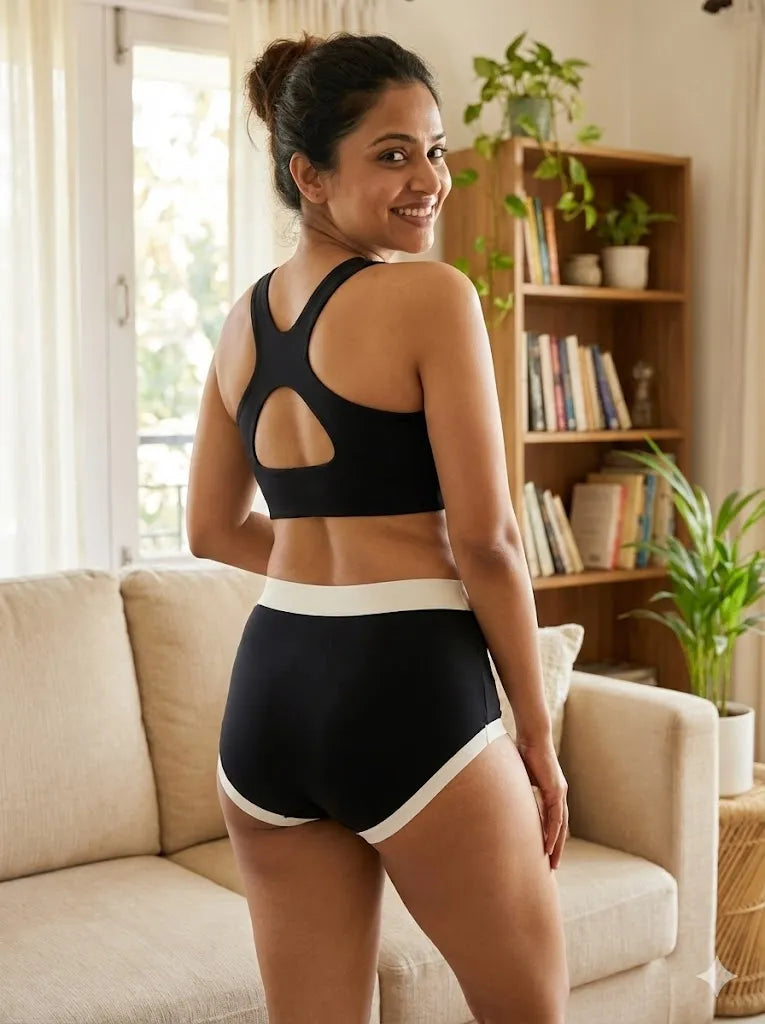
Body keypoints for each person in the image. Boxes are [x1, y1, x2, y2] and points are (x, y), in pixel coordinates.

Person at [186, 29, 569, 1024]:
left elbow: (210, 529)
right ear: (308, 174)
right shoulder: (431, 298)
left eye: (434, 150)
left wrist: (324, 566)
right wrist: (536, 735)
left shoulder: (240, 321)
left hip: (268, 701)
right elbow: (488, 543)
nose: (430, 180)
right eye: (393, 155)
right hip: (408, 689)